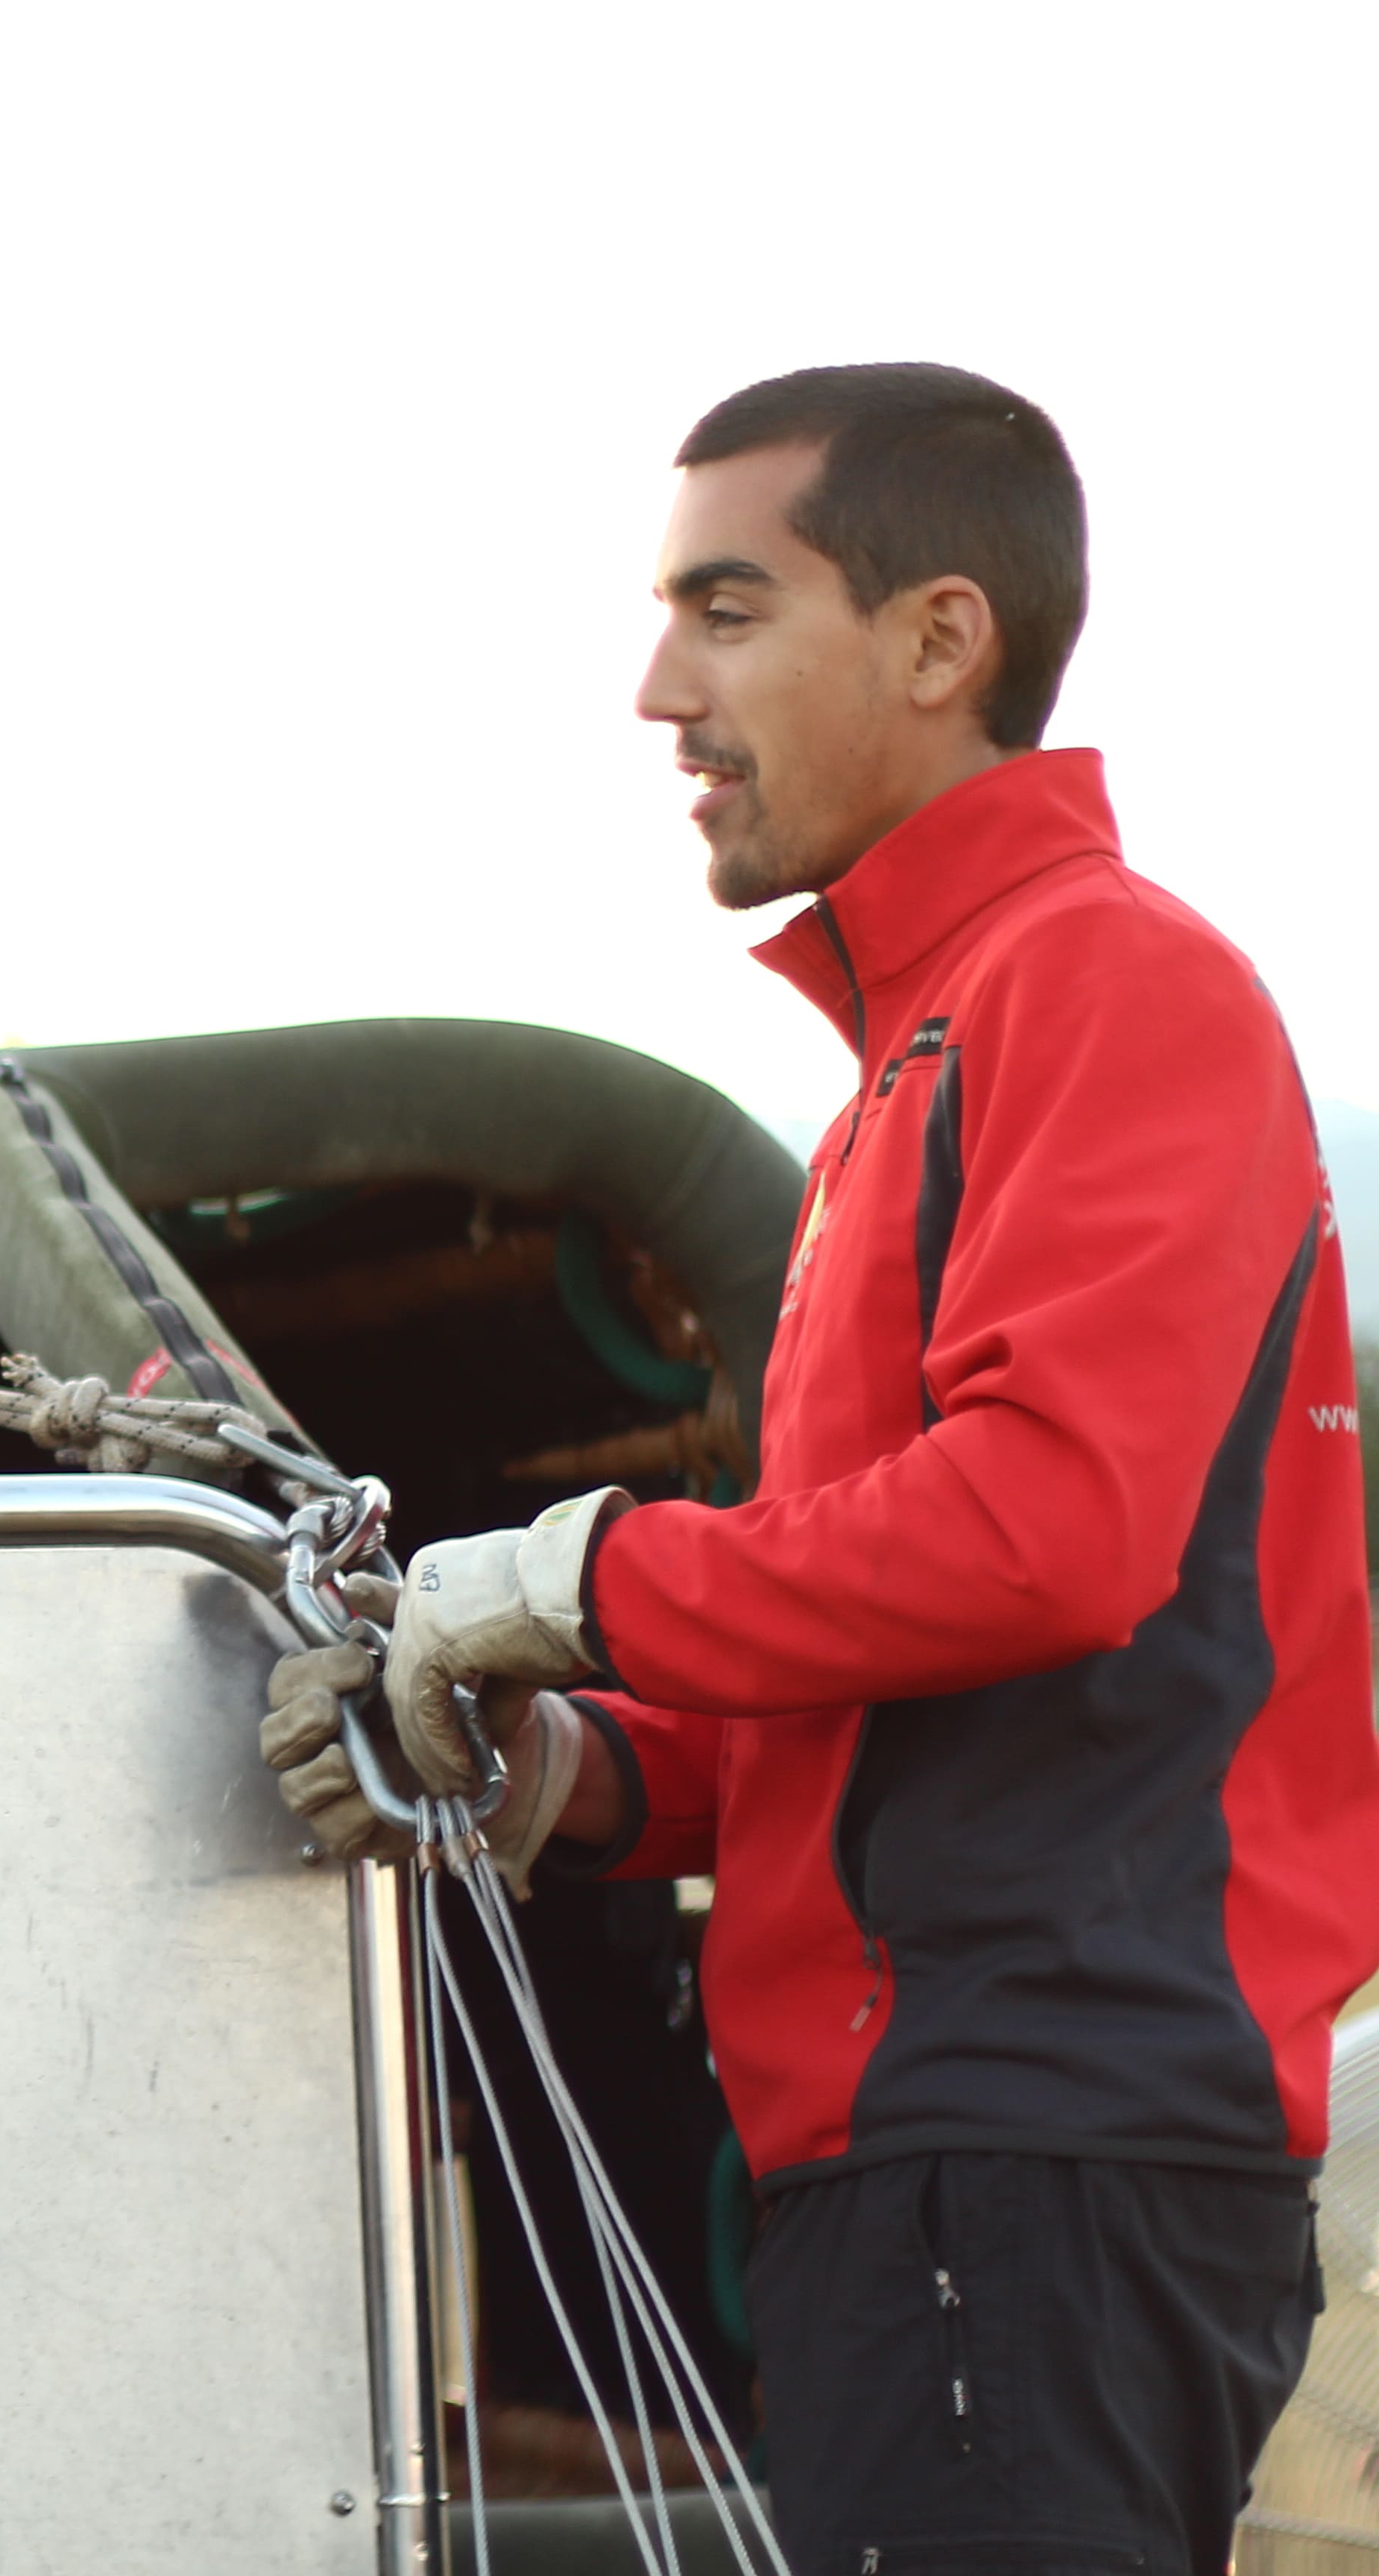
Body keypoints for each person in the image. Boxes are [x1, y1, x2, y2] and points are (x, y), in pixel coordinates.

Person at [262, 364, 1379, 2571]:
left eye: (729, 608)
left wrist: (566, 1579)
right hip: (935, 2159)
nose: (659, 688)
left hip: (1030, 2143)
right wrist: (554, 1764)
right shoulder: (915, 1059)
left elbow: (1044, 1539)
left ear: (944, 640)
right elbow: (874, 1675)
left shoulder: (1106, 982)